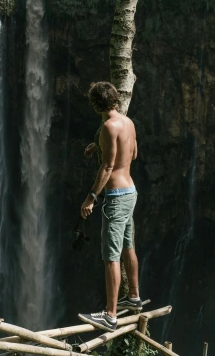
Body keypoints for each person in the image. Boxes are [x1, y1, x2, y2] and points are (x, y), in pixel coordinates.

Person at [77, 82, 142, 332]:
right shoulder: (128, 122)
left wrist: (92, 197)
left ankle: (110, 315)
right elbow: (132, 153)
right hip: (131, 192)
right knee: (128, 246)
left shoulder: (106, 126)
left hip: (114, 197)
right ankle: (134, 297)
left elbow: (107, 167)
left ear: (96, 105)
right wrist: (102, 146)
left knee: (110, 256)